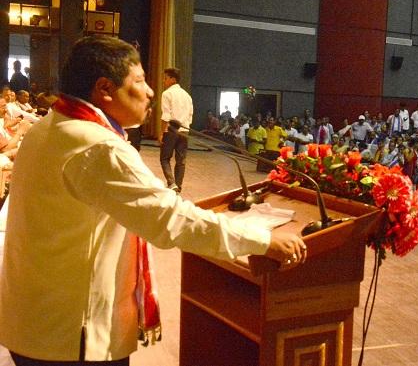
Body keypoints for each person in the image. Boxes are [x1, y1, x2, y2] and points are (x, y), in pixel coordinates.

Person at [0, 36, 305, 365]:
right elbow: (170, 219)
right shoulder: (96, 146)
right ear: (104, 88)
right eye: (140, 81)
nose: (150, 93)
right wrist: (264, 240)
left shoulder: (50, 127)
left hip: (35, 322)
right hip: (70, 336)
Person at [159, 67, 192, 192]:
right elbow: (190, 115)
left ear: (173, 80)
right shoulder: (187, 96)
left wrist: (161, 133)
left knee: (164, 158)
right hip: (185, 131)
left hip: (171, 131)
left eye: (166, 78)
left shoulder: (167, 93)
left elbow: (166, 115)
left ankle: (171, 183)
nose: (163, 81)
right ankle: (178, 186)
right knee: (181, 161)